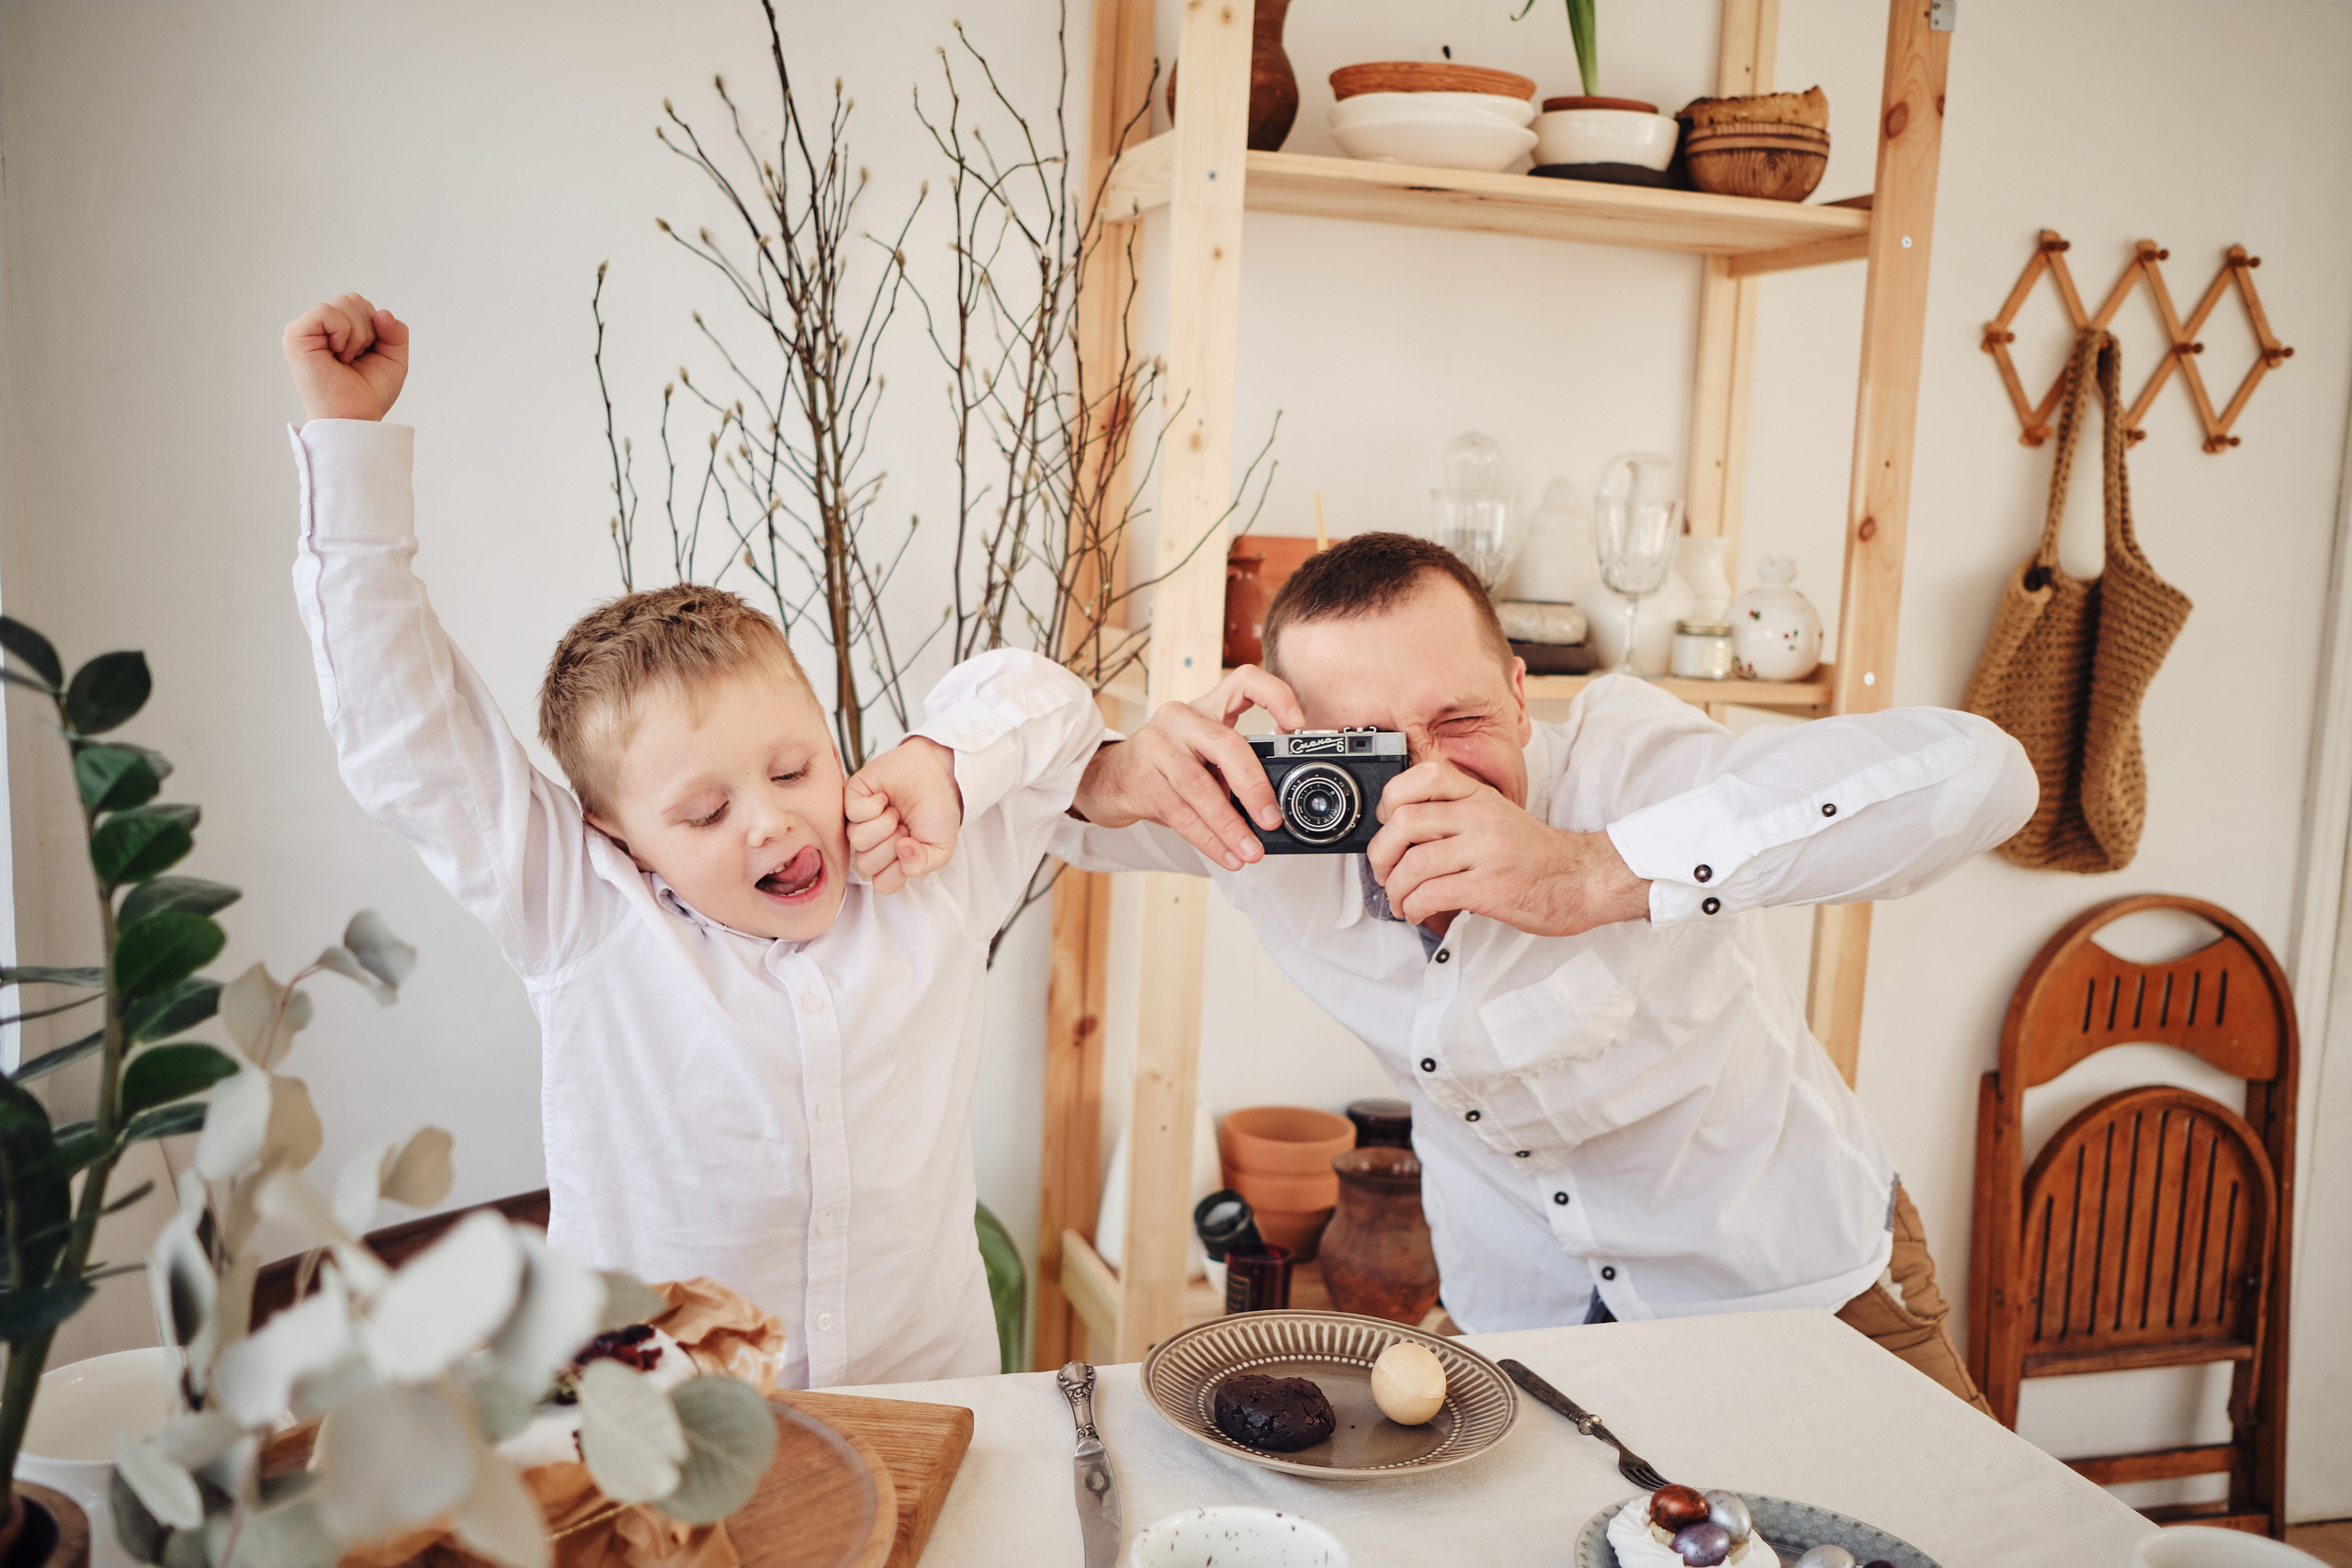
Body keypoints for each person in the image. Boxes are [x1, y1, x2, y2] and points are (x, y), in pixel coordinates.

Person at [280, 292, 1104, 1387]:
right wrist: (349, 448)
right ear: (616, 840)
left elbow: (1041, 698)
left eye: (795, 766)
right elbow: (408, 736)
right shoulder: (580, 913)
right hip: (665, 1438)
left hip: (933, 1403)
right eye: (706, 814)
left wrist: (947, 763)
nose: (771, 818)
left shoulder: (923, 865)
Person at [1057, 533, 2036, 1409]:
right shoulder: (1275, 822)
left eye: (1460, 720)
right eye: (1365, 745)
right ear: (1300, 749)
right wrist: (1112, 773)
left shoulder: (1627, 762)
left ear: (1522, 698)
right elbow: (1031, 814)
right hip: (1527, 1333)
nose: (1419, 778)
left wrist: (1596, 871)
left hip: (1794, 1290)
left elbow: (1986, 776)